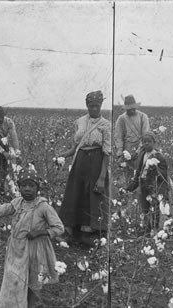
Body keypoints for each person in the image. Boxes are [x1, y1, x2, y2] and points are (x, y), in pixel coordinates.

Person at [0, 168, 64, 308]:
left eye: (31, 185)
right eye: (24, 185)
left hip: (35, 251)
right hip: (16, 249)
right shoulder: (17, 203)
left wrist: (40, 232)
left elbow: (59, 228)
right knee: (14, 279)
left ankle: (30, 304)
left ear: (37, 188)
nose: (27, 189)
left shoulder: (43, 207)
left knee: (34, 280)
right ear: (19, 187)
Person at [57, 90, 110, 246]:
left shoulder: (106, 125)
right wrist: (63, 155)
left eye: (97, 106)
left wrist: (101, 177)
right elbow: (76, 146)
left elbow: (107, 152)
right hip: (80, 162)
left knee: (93, 195)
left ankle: (90, 233)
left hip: (96, 162)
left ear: (101, 105)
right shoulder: (79, 122)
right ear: (87, 105)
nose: (94, 109)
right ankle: (71, 231)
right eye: (91, 106)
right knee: (75, 193)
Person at [127, 131, 170, 235]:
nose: (146, 143)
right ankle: (147, 228)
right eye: (144, 141)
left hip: (154, 186)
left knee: (155, 208)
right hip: (143, 185)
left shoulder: (159, 156)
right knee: (144, 207)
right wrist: (133, 184)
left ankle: (155, 228)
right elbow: (138, 169)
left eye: (149, 141)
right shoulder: (142, 154)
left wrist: (156, 169)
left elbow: (164, 173)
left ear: (154, 142)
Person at [114, 95, 150, 185]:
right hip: (127, 152)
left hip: (142, 150)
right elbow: (119, 137)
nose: (131, 110)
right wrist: (120, 153)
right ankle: (130, 196)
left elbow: (146, 135)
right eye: (129, 109)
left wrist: (139, 151)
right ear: (126, 108)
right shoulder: (121, 119)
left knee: (143, 174)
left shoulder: (143, 117)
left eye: (133, 108)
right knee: (129, 178)